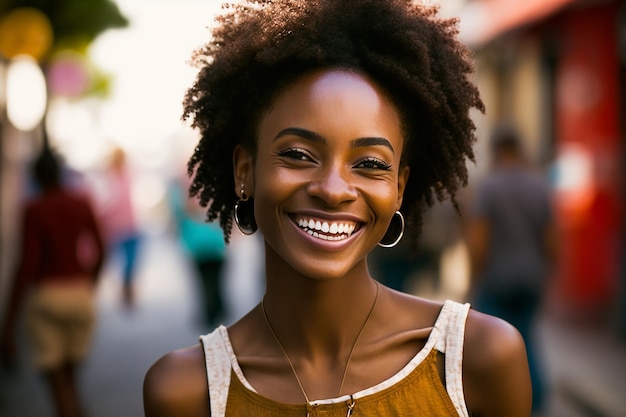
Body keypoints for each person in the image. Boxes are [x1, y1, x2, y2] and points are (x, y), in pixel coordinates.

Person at [143, 1, 532, 416]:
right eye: (297, 154)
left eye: (369, 164)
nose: (333, 190)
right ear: (246, 171)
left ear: (398, 188)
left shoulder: (477, 360)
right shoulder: (186, 393)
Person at [1, 147, 106, 417]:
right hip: (79, 294)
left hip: (47, 296)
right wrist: (89, 284)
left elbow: (26, 264)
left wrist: (9, 325)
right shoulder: (81, 203)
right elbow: (101, 250)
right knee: (71, 383)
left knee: (58, 388)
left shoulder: (34, 210)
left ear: (36, 177)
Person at [465, 123, 559, 414]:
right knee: (528, 335)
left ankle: (503, 398)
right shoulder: (539, 185)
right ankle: (537, 398)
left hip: (497, 278)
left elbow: (479, 239)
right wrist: (548, 270)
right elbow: (552, 238)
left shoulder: (490, 187)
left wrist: (474, 276)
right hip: (531, 276)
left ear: (498, 151)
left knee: (496, 342)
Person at [167, 172, 227, 328]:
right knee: (216, 280)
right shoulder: (214, 183)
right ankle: (218, 308)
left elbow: (176, 212)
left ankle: (210, 312)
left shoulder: (181, 187)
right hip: (216, 241)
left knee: (204, 281)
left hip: (196, 244)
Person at [96, 147, 142, 307]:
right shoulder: (110, 176)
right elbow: (105, 201)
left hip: (129, 225)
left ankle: (126, 288)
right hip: (118, 227)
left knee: (130, 262)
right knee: (124, 262)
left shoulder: (129, 174)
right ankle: (124, 289)